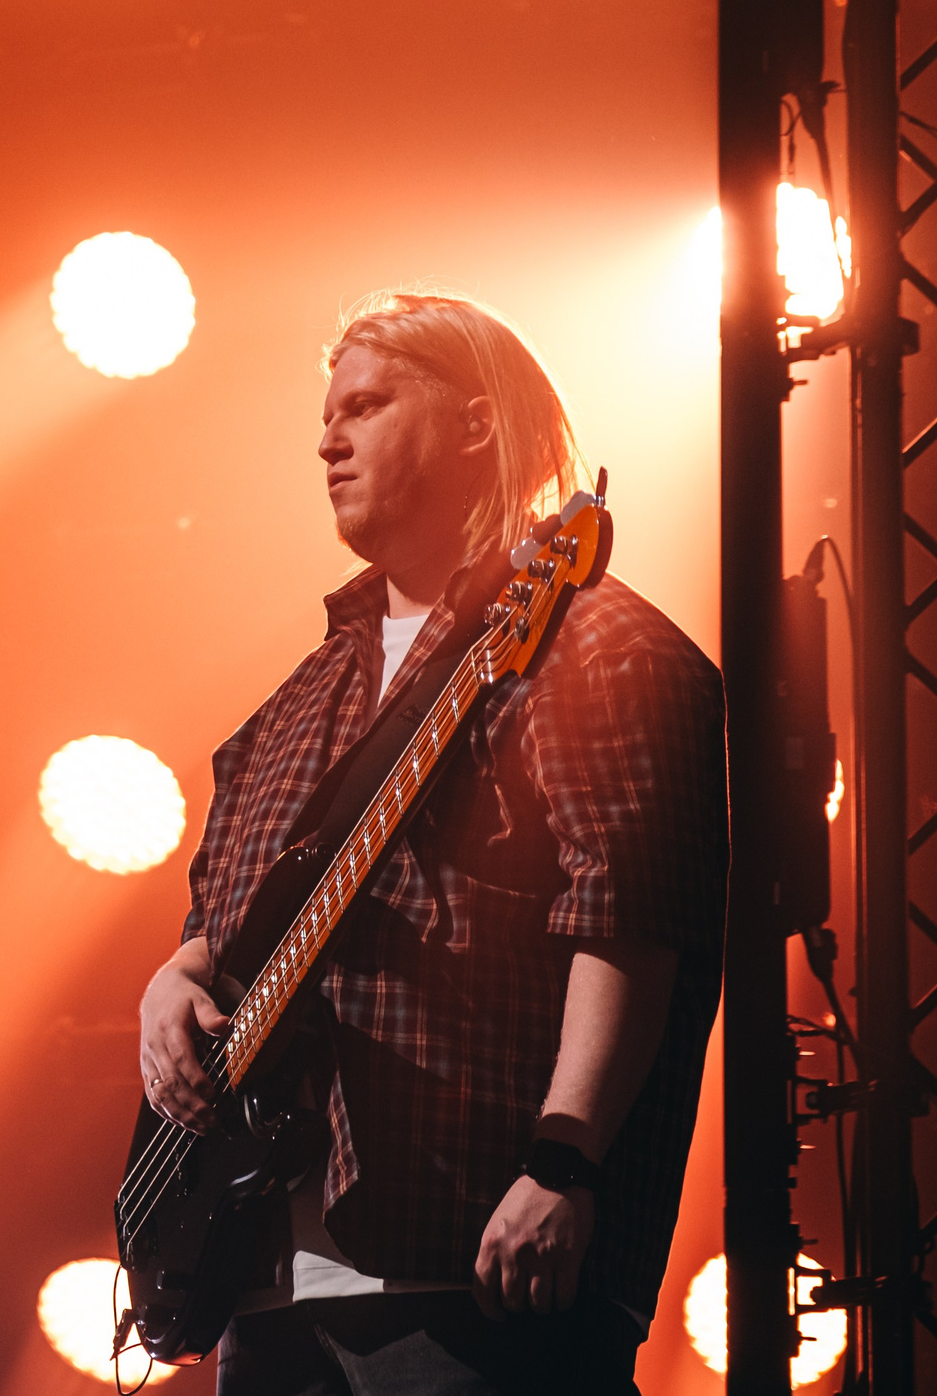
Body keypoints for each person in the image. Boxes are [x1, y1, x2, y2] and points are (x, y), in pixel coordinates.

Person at [137, 291, 725, 1395]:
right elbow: (219, 924)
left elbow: (634, 921)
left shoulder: (596, 646)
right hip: (264, 1281)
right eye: (325, 413)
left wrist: (564, 1159)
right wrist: (172, 979)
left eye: (365, 404)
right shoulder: (291, 706)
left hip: (469, 1270)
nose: (326, 437)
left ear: (471, 424)